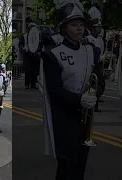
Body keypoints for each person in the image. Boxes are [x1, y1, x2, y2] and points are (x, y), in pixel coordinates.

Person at [41, 1, 99, 180]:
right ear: (64, 28)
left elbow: (99, 78)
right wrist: (79, 99)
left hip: (85, 117)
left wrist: (96, 93)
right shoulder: (53, 54)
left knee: (81, 164)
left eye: (81, 25)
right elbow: (55, 89)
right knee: (67, 165)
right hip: (64, 117)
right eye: (74, 25)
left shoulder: (91, 50)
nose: (79, 29)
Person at [85, 4, 106, 112]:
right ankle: (92, 104)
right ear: (92, 28)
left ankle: (96, 102)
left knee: (100, 85)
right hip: (91, 64)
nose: (99, 29)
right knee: (92, 85)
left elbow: (101, 50)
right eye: (97, 27)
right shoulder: (88, 39)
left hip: (98, 65)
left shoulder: (100, 39)